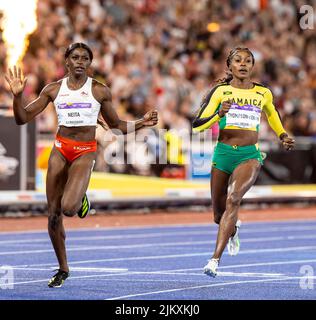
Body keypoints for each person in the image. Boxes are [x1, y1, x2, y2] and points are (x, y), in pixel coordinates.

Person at [5, 42, 158, 287]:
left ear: (89, 63)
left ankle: (80, 196)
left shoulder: (99, 91)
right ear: (66, 61)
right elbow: (22, 118)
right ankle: (63, 268)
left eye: (84, 58)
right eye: (74, 57)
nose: (79, 61)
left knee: (68, 208)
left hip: (85, 151)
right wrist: (16, 96)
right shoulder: (53, 90)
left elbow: (117, 126)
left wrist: (142, 122)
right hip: (60, 149)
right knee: (53, 217)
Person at [192, 47, 295, 277]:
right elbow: (197, 125)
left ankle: (214, 260)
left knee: (234, 198)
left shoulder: (263, 93)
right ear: (229, 65)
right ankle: (233, 228)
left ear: (252, 66)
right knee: (219, 216)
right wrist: (219, 114)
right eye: (238, 60)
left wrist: (282, 135)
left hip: (249, 155)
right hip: (223, 155)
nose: (243, 64)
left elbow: (273, 115)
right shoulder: (220, 92)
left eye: (248, 61)